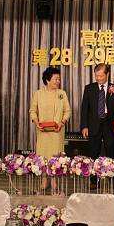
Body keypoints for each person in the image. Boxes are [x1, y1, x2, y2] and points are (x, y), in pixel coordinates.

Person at [29, 66, 71, 194]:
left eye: (59, 79)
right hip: (43, 132)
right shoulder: (38, 94)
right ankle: (43, 182)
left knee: (55, 157)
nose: (58, 81)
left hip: (57, 132)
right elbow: (32, 111)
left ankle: (54, 182)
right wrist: (36, 122)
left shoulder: (61, 94)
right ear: (47, 80)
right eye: (55, 79)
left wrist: (62, 122)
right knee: (43, 156)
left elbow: (67, 111)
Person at [80, 63, 114, 161]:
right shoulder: (89, 88)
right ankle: (92, 171)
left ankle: (113, 171)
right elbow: (84, 109)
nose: (98, 78)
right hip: (93, 125)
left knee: (111, 154)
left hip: (109, 125)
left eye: (101, 76)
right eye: (96, 76)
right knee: (93, 155)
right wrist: (84, 126)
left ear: (107, 74)